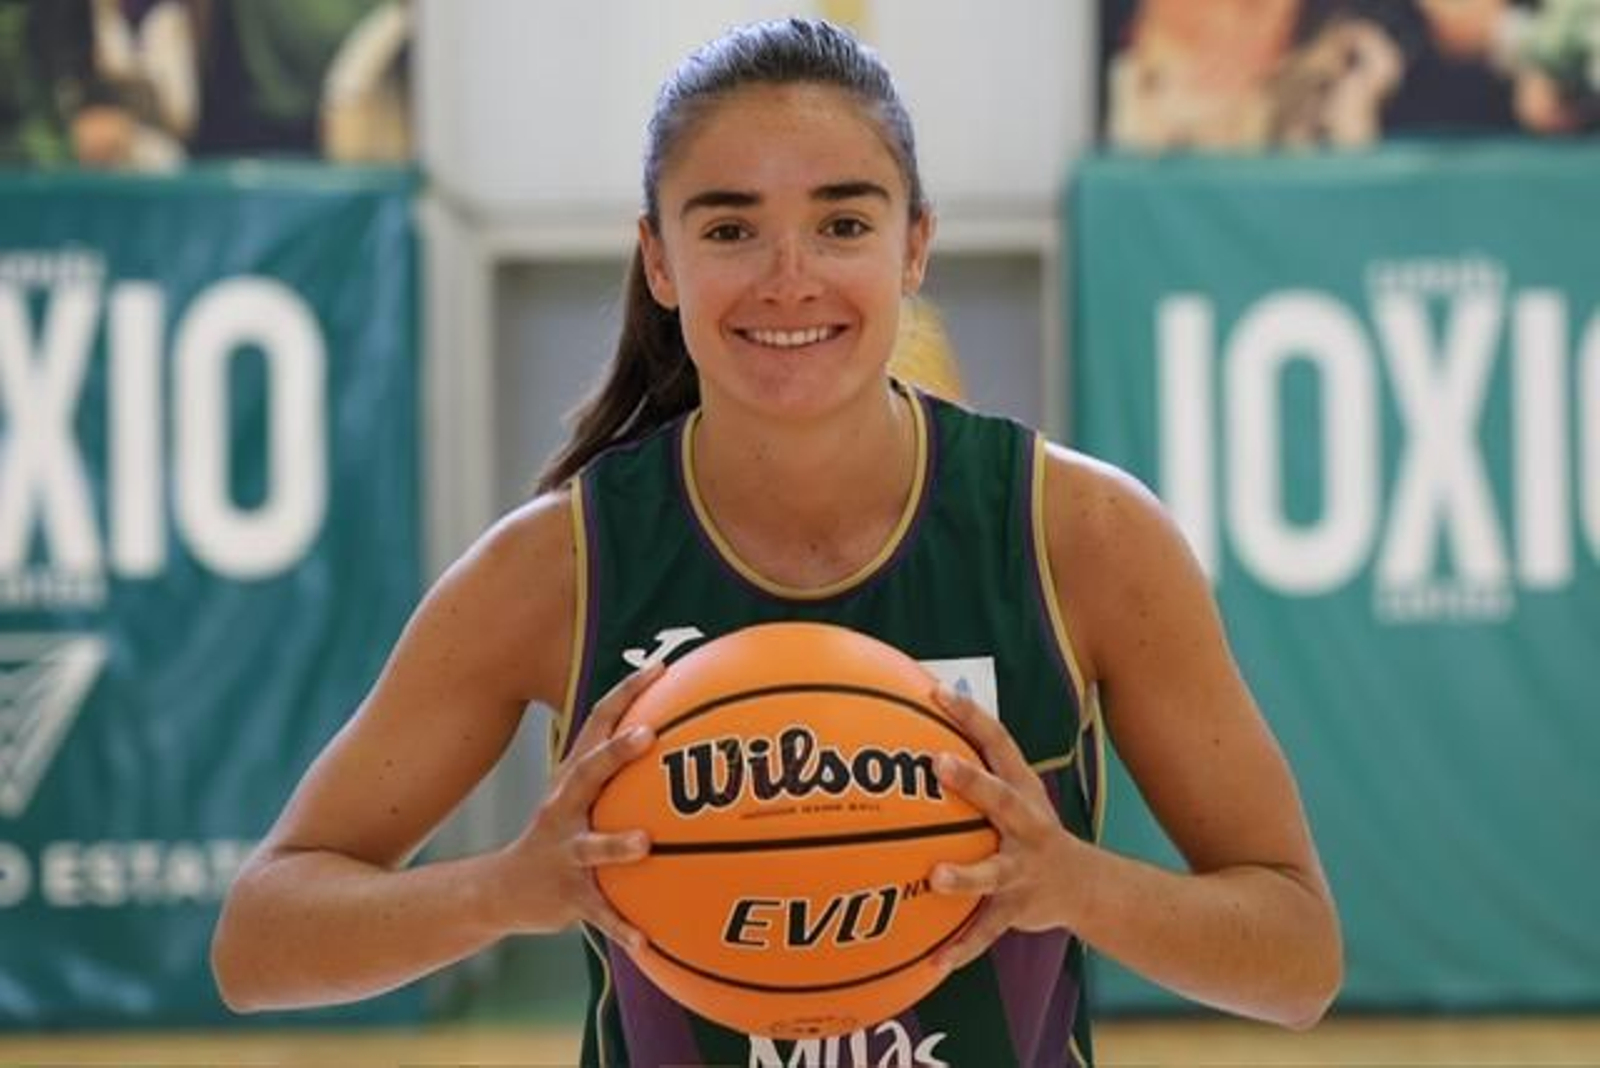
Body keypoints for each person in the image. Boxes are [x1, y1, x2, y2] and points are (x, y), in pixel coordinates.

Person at [211, 17, 1342, 1066]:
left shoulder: (1078, 535)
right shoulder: (558, 565)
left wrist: (1074, 885)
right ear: (661, 262)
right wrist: (512, 888)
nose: (788, 276)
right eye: (730, 227)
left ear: (914, 248)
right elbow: (260, 943)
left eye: (843, 222)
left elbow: (1296, 960)